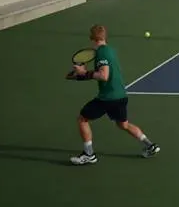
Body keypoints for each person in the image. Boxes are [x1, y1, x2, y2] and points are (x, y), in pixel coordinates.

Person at [67, 24, 160, 165]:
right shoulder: (110, 50)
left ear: (92, 38)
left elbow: (104, 76)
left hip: (108, 98)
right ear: (104, 36)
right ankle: (150, 145)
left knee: (82, 119)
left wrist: (84, 72)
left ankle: (89, 154)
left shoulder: (101, 53)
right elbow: (102, 75)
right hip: (121, 96)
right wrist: (78, 76)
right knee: (123, 125)